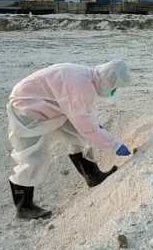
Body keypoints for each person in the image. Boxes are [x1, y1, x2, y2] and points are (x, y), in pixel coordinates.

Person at [6, 60, 133, 219]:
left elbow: (85, 119)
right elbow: (87, 126)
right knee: (32, 156)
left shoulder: (87, 77)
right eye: (115, 88)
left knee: (78, 136)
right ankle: (23, 207)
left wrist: (102, 134)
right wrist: (115, 145)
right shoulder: (81, 85)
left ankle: (92, 175)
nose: (113, 91)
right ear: (110, 80)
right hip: (26, 107)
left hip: (49, 105)